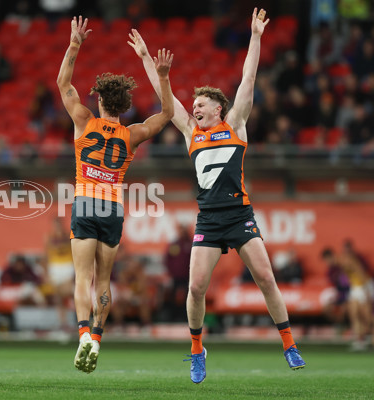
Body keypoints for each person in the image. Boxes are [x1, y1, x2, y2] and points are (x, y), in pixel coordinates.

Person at [129, 8, 305, 384]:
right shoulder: (192, 133)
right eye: (194, 104)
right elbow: (168, 100)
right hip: (208, 217)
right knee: (195, 288)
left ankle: (289, 344)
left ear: (219, 108)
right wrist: (147, 60)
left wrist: (256, 36)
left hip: (239, 214)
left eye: (202, 103)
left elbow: (249, 77)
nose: (195, 107)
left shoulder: (236, 124)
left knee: (265, 278)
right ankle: (196, 350)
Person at [57, 16, 174, 373]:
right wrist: (162, 74)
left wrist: (75, 44)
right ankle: (98, 336)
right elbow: (168, 113)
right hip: (112, 207)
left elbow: (63, 83)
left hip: (84, 202)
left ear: (99, 99)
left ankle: (82, 336)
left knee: (82, 278)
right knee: (104, 280)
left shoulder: (83, 119)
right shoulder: (133, 134)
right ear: (124, 105)